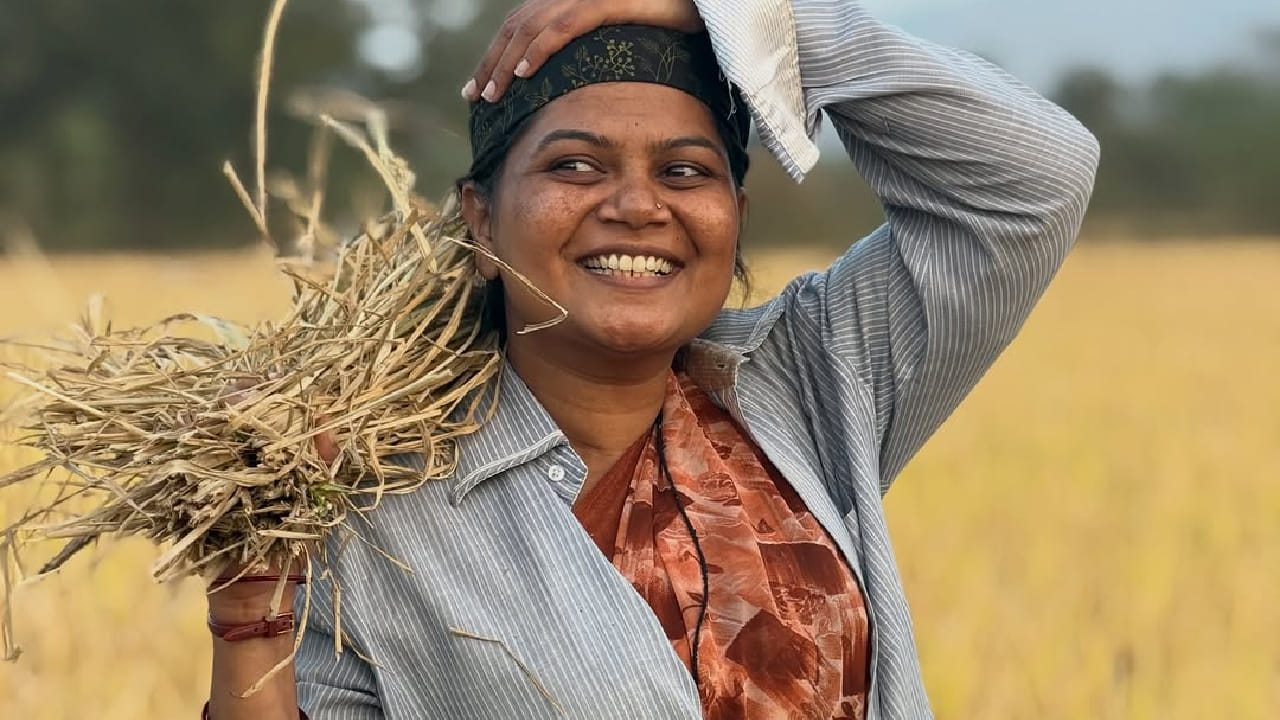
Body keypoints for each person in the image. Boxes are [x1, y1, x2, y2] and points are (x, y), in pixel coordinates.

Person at [204, 0, 1100, 718]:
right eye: (575, 167)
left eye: (684, 172)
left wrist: (732, 16)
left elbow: (1037, 181)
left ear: (735, 218)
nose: (638, 206)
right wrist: (251, 613)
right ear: (481, 222)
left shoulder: (810, 377)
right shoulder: (377, 502)